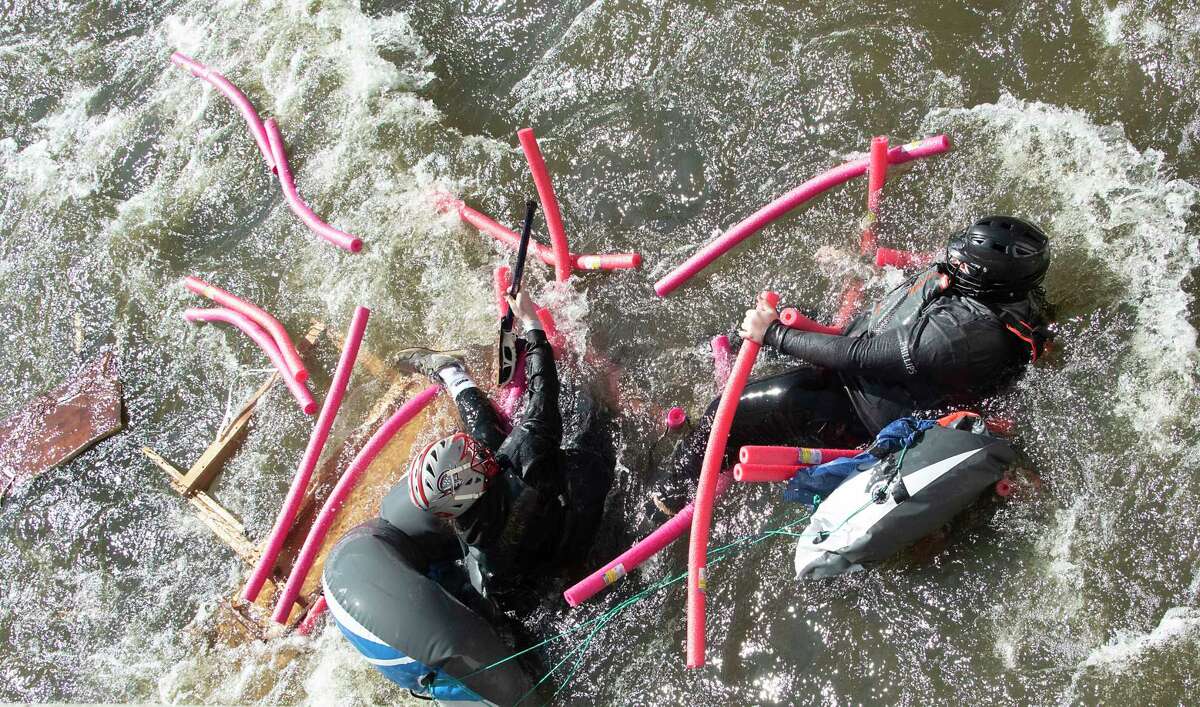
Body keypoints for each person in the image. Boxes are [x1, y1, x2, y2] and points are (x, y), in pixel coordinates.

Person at [322, 290, 614, 705]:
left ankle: (452, 373)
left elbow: (503, 609)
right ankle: (456, 374)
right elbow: (542, 389)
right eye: (476, 459)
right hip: (568, 517)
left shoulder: (477, 547)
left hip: (521, 564)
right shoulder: (526, 456)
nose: (480, 453)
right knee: (596, 427)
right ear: (479, 479)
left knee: (486, 430)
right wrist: (531, 323)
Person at [652, 215, 1053, 515]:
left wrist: (774, 335)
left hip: (860, 407)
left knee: (728, 411)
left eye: (963, 264)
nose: (953, 263)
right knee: (748, 329)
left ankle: (665, 503)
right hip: (867, 360)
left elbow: (862, 357)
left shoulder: (957, 336)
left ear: (988, 281)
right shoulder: (1004, 291)